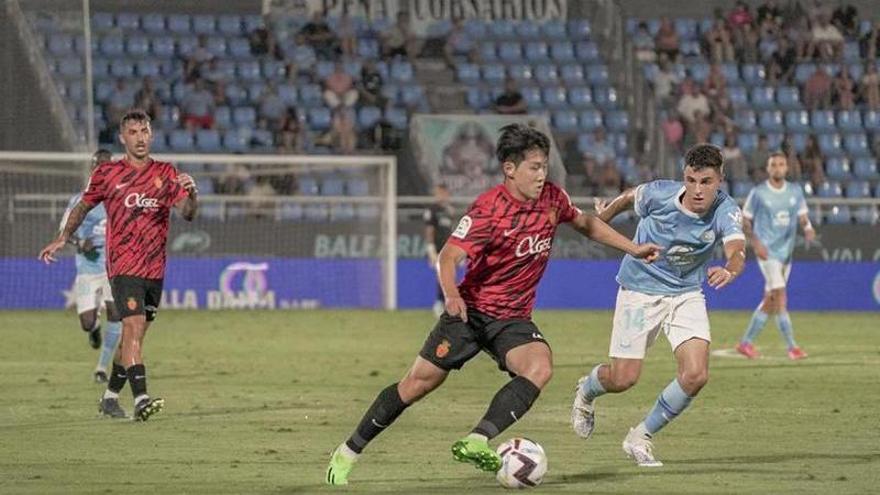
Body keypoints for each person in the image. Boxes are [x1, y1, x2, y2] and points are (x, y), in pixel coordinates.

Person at [325, 124, 661, 485]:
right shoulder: (488, 210)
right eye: (534, 167)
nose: (541, 174)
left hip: (512, 319)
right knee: (416, 385)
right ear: (510, 169)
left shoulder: (553, 198)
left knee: (539, 367)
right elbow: (449, 257)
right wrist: (452, 296)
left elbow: (586, 225)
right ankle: (347, 453)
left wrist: (633, 248)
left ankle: (477, 439)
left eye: (544, 166)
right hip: (469, 312)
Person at [571, 143, 746, 467]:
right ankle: (588, 389)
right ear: (684, 176)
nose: (697, 190)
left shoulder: (726, 210)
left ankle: (641, 435)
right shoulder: (659, 194)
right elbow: (627, 198)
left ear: (720, 179)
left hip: (685, 293)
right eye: (691, 180)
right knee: (623, 379)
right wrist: (602, 217)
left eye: (706, 182)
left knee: (696, 374)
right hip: (639, 289)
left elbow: (737, 250)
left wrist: (729, 270)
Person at [39, 109, 199, 421]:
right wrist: (63, 237)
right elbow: (82, 207)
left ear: (151, 135)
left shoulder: (166, 173)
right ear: (123, 137)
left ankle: (110, 398)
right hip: (124, 267)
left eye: (144, 131)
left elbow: (188, 213)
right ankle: (141, 399)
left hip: (155, 269)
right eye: (134, 132)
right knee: (133, 327)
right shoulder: (107, 174)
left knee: (132, 339)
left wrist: (193, 194)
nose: (140, 138)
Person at [736, 152, 815, 360]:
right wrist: (755, 243)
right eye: (774, 165)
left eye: (781, 164)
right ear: (768, 168)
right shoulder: (759, 193)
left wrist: (808, 227)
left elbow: (803, 215)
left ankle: (745, 343)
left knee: (770, 300)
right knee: (780, 296)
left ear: (786, 168)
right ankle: (792, 347)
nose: (778, 168)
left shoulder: (795, 191)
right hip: (767, 252)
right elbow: (745, 221)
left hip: (785, 254)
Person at [57, 149, 121, 384]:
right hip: (87, 269)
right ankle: (94, 330)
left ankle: (102, 368)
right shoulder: (79, 199)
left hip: (113, 268)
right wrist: (79, 242)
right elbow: (63, 233)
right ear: (93, 170)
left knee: (116, 313)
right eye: (99, 167)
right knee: (86, 323)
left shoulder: (120, 199)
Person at [422, 184, 455, 317]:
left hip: (448, 249)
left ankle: (442, 303)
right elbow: (429, 230)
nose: (442, 195)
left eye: (444, 193)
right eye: (439, 193)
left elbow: (451, 231)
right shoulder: (432, 210)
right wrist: (431, 248)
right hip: (437, 248)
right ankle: (439, 304)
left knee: (449, 276)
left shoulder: (449, 211)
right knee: (442, 276)